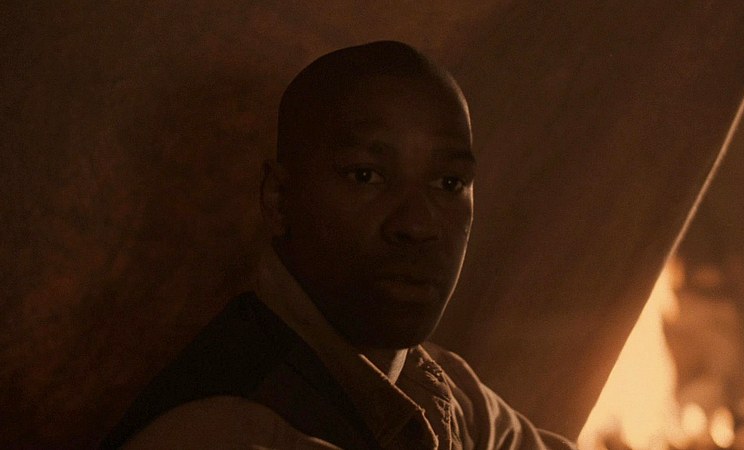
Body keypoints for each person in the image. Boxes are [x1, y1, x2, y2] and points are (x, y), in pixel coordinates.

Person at [101, 41, 576, 450]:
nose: (416, 224)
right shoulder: (231, 428)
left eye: (449, 183)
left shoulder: (438, 388)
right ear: (279, 200)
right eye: (365, 176)